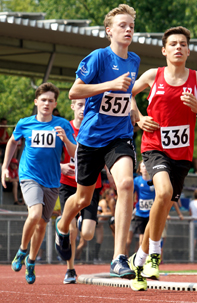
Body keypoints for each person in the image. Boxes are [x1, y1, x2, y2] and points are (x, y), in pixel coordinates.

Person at [128, 26, 197, 291]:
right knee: (163, 192)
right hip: (155, 146)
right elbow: (127, 95)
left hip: (182, 153)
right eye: (173, 44)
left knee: (162, 207)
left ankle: (140, 258)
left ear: (189, 50)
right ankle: (155, 253)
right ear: (164, 50)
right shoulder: (152, 75)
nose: (178, 47)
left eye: (183, 44)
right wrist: (139, 117)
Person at [54, 4, 140, 280]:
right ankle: (62, 226)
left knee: (126, 184)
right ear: (109, 30)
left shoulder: (134, 60)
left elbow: (127, 95)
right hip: (91, 139)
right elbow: (73, 91)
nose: (128, 30)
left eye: (131, 26)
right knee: (82, 198)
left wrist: (137, 113)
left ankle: (119, 258)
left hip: (120, 135)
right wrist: (109, 85)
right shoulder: (98, 58)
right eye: (122, 26)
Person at [1, 82, 76, 284]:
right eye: (43, 100)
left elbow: (74, 152)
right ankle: (22, 251)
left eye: (50, 100)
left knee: (42, 224)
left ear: (54, 104)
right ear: (36, 102)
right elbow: (12, 142)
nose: (46, 103)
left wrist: (66, 140)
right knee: (34, 214)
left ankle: (32, 261)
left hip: (52, 181)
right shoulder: (25, 123)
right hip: (29, 177)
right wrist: (4, 166)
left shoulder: (63, 125)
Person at [58, 98, 103, 283]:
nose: (83, 109)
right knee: (72, 230)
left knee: (88, 233)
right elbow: (47, 156)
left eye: (87, 104)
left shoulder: (97, 127)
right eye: (79, 105)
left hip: (92, 184)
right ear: (72, 106)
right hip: (68, 183)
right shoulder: (63, 127)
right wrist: (60, 167)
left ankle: (73, 221)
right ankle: (70, 270)